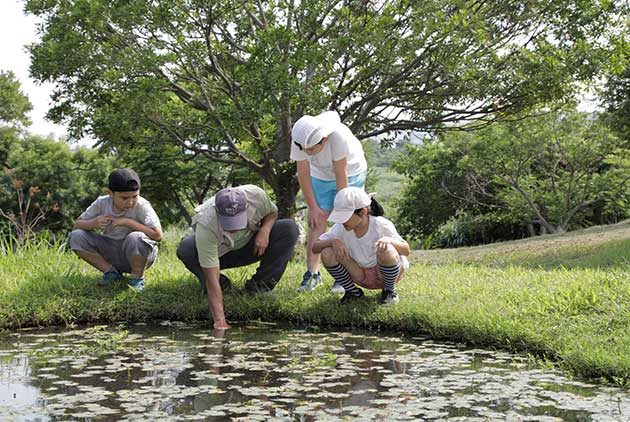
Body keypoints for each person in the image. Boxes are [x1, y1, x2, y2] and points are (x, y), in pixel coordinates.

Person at [176, 185, 299, 330]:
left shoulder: (257, 195)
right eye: (228, 221)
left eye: (237, 220)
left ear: (246, 207)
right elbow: (211, 279)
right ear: (218, 212)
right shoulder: (206, 224)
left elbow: (272, 213)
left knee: (289, 228)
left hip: (252, 245)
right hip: (220, 253)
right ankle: (224, 285)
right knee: (186, 249)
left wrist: (265, 230)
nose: (233, 228)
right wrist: (220, 321)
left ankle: (260, 287)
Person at [291, 110, 368, 293]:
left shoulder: (337, 137)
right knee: (317, 221)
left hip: (351, 171)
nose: (307, 153)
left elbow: (341, 172)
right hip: (320, 175)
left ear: (324, 139)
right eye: (304, 149)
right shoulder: (300, 138)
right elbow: (302, 172)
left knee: (346, 221)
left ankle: (343, 275)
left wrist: (344, 211)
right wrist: (312, 207)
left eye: (311, 150)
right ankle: (312, 274)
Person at [67, 168, 162, 292]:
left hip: (139, 254)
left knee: (136, 237)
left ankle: (137, 279)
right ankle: (111, 273)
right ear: (110, 193)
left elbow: (158, 235)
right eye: (124, 198)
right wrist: (93, 223)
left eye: (135, 196)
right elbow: (77, 225)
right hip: (111, 251)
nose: (131, 202)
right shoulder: (102, 203)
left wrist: (127, 222)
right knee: (76, 236)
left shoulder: (142, 206)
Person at [312, 187, 409, 306]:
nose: (342, 221)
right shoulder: (340, 228)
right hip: (359, 275)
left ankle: (389, 291)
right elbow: (315, 248)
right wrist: (332, 241)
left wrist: (389, 240)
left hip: (383, 275)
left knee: (387, 250)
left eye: (346, 216)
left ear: (363, 211)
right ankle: (353, 292)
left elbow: (406, 249)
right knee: (326, 252)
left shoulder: (380, 225)